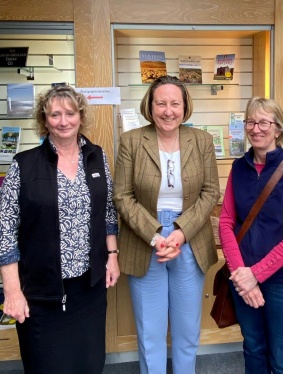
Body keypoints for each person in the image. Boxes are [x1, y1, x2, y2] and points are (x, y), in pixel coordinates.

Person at [0, 85, 120, 374]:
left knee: (89, 364)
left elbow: (107, 212)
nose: (63, 121)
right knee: (47, 366)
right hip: (42, 292)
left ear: (81, 116)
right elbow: (5, 232)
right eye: (55, 114)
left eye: (70, 113)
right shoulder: (23, 165)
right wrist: (12, 292)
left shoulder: (97, 156)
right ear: (44, 119)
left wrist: (112, 255)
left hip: (89, 289)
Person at [113, 75, 220, 374]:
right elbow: (122, 196)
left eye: (175, 103)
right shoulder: (131, 141)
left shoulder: (202, 140)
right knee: (150, 334)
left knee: (187, 331)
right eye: (161, 103)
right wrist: (156, 235)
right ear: (150, 105)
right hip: (145, 239)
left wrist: (182, 233)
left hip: (190, 238)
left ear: (185, 107)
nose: (168, 110)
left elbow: (211, 192)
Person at [219, 97, 283, 374]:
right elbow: (226, 222)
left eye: (263, 122)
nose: (256, 128)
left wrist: (255, 274)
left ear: (278, 129)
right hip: (244, 278)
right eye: (250, 121)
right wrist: (241, 274)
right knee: (253, 348)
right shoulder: (238, 168)